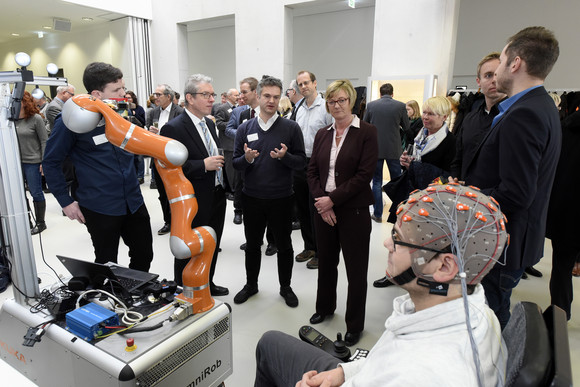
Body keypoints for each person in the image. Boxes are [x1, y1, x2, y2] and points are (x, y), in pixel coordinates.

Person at [255, 184, 507, 387]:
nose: (387, 243)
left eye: (399, 239)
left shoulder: (421, 374)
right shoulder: (478, 311)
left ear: (444, 267)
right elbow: (381, 361)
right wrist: (343, 372)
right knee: (271, 343)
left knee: (268, 344)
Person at [463, 26, 561, 328]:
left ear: (515, 63)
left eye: (503, 61)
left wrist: (466, 199)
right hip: (512, 240)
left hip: (502, 243)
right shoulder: (541, 107)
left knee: (489, 321)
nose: (498, 71)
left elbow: (516, 193)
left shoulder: (524, 113)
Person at [43, 62, 154, 272]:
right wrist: (65, 202)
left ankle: (136, 295)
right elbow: (50, 162)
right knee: (106, 261)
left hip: (133, 200)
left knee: (144, 254)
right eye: (117, 90)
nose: (124, 94)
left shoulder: (121, 112)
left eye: (123, 87)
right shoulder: (71, 120)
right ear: (97, 93)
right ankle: (110, 298)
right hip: (99, 204)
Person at [307, 79, 378, 346]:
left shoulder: (367, 132)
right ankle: (324, 307)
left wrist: (331, 201)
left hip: (354, 211)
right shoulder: (322, 133)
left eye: (341, 100)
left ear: (351, 101)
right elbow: (312, 170)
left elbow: (364, 175)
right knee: (326, 263)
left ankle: (354, 324)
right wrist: (320, 201)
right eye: (331, 101)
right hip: (322, 209)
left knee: (356, 270)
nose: (336, 105)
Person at [232, 75, 306, 307]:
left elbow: (301, 162)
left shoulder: (291, 128)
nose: (271, 101)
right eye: (267, 96)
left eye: (276, 96)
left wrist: (286, 157)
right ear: (258, 96)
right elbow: (235, 164)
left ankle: (286, 287)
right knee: (253, 246)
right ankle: (251, 285)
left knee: (284, 246)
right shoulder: (245, 128)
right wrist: (246, 158)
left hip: (282, 198)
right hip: (252, 198)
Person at [374, 96, 455, 288]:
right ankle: (395, 273)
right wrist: (406, 163)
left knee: (422, 243)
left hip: (430, 202)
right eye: (425, 112)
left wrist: (418, 167)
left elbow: (449, 176)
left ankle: (420, 278)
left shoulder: (450, 142)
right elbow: (415, 163)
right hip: (410, 194)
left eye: (431, 114)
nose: (425, 117)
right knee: (399, 236)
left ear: (444, 116)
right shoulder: (421, 134)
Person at [161, 74, 229, 296]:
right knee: (189, 247)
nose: (212, 99)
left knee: (211, 242)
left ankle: (207, 283)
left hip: (217, 194)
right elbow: (168, 169)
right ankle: (183, 290)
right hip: (193, 199)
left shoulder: (209, 123)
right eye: (206, 95)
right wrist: (202, 165)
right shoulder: (174, 128)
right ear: (189, 98)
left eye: (212, 94)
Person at [292, 70, 332, 269]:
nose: (303, 87)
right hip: (300, 162)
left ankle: (322, 250)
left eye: (306, 82)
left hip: (319, 164)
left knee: (317, 207)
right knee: (302, 208)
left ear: (315, 83)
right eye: (300, 84)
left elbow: (334, 135)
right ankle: (309, 246)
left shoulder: (325, 108)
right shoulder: (297, 107)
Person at [363, 83, 409, 223]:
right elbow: (407, 126)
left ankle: (377, 214)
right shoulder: (400, 106)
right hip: (394, 149)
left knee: (376, 182)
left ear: (380, 93)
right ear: (392, 93)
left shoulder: (371, 106)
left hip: (375, 148)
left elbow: (364, 124)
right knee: (398, 181)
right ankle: (399, 213)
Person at [146, 84, 184, 233]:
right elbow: (148, 128)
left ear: (169, 96)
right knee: (162, 192)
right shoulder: (153, 112)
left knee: (176, 191)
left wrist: (161, 132)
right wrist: (151, 132)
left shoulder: (180, 112)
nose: (155, 97)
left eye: (158, 94)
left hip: (174, 158)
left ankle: (180, 220)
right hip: (158, 157)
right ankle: (168, 221)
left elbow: (181, 134)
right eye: (155, 94)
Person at [16, 91, 48, 235]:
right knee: (20, 194)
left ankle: (41, 223)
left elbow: (44, 140)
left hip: (33, 162)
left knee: (35, 192)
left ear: (25, 102)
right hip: (16, 163)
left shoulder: (36, 119)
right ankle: (26, 220)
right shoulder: (11, 120)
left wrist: (44, 161)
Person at [215, 88, 240, 199]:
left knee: (235, 169)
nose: (238, 97)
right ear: (229, 96)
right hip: (227, 144)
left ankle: (235, 188)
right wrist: (232, 125)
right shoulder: (222, 108)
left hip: (236, 143)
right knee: (229, 169)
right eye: (235, 95)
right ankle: (231, 190)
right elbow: (219, 123)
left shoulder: (239, 108)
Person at [125, 90, 147, 184]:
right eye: (126, 98)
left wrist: (135, 114)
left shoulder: (139, 109)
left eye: (129, 97)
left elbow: (143, 122)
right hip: (128, 135)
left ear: (133, 98)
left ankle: (140, 176)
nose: (128, 99)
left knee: (139, 157)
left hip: (138, 135)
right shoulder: (124, 109)